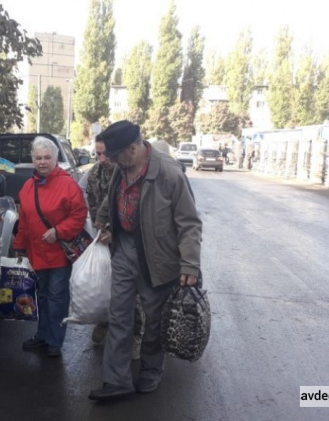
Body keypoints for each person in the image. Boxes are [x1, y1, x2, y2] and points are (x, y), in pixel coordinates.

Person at [88, 120, 202, 401]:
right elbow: (113, 194)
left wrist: (189, 264)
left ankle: (151, 372)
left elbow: (189, 223)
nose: (111, 161)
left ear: (134, 147)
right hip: (125, 247)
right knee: (119, 316)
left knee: (155, 320)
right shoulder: (122, 167)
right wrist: (103, 216)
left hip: (158, 255)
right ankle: (117, 381)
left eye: (115, 155)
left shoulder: (169, 172)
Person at [13, 136, 88, 357]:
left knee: (57, 297)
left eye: (47, 157)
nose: (42, 162)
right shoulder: (28, 186)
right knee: (42, 295)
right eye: (38, 158)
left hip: (59, 254)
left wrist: (58, 231)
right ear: (33, 160)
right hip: (37, 252)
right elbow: (24, 220)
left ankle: (55, 340)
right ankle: (43, 335)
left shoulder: (67, 184)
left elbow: (79, 215)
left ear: (56, 159)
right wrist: (18, 247)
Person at [86, 135, 145, 360]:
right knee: (104, 285)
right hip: (105, 240)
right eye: (97, 154)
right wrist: (101, 229)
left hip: (127, 241)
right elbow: (94, 206)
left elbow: (135, 210)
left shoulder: (128, 171)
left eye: (105, 154)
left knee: (134, 295)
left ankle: (136, 337)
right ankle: (105, 320)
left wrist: (115, 231)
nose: (102, 159)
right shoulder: (94, 174)